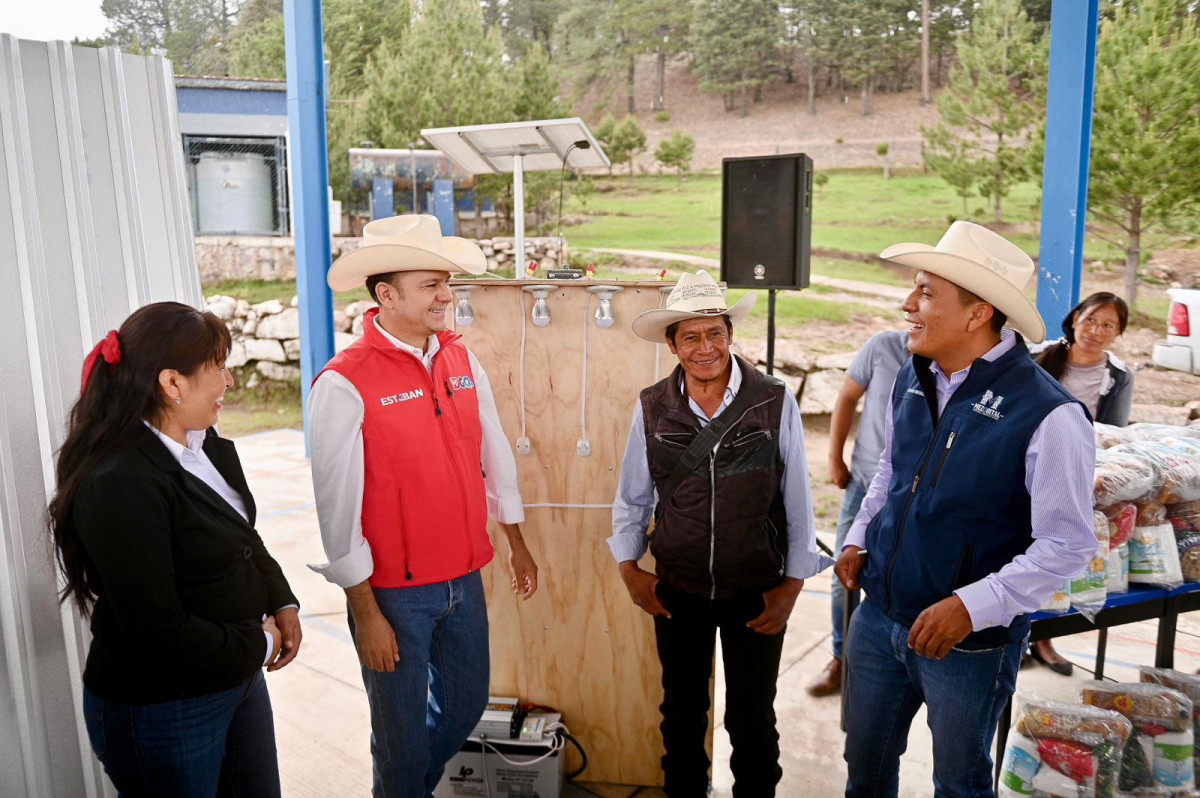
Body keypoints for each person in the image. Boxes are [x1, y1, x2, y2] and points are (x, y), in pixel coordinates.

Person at [835, 222, 1097, 797]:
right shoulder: (915, 371)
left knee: (959, 782)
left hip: (968, 643)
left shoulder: (1049, 414)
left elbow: (1068, 545)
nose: (908, 305)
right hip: (878, 616)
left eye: (926, 292)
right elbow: (892, 470)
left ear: (978, 314)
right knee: (864, 764)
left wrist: (971, 606)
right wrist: (859, 536)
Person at [307, 214, 539, 797]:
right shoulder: (343, 381)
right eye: (430, 284)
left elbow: (496, 454)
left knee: (464, 710)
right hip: (395, 596)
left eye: (447, 282)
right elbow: (336, 509)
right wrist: (364, 611)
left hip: (464, 576)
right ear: (386, 295)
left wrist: (515, 541)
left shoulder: (462, 360)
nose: (446, 295)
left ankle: (405, 787)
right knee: (400, 740)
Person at [47, 302, 301, 797]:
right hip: (167, 707)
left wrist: (282, 600)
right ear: (172, 383)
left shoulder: (203, 448)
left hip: (236, 678)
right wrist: (262, 644)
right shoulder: (120, 480)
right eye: (218, 368)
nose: (229, 382)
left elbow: (243, 538)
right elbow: (157, 628)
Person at [609, 270, 833, 797]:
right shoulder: (651, 407)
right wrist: (629, 569)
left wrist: (792, 586)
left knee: (753, 721)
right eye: (691, 335)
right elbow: (633, 496)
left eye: (715, 333)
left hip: (755, 589)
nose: (705, 347)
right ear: (672, 344)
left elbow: (798, 498)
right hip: (678, 590)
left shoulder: (773, 401)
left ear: (730, 335)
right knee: (681, 716)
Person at [1025, 291, 1133, 676]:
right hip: (1022, 466)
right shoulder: (1039, 356)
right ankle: (1014, 632)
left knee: (1054, 555)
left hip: (1075, 475)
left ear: (1118, 333)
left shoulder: (1118, 376)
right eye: (1090, 320)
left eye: (1108, 325)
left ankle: (1043, 639)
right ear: (1074, 319)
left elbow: (1111, 434)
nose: (1096, 330)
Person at [806, 329, 909, 697]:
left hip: (915, 493)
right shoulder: (883, 347)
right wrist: (835, 457)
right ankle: (841, 659)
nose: (912, 308)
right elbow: (847, 397)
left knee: (900, 575)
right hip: (865, 480)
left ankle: (884, 666)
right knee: (843, 573)